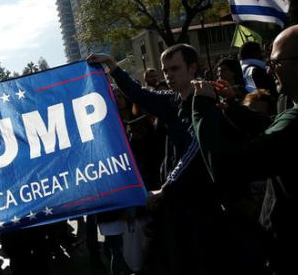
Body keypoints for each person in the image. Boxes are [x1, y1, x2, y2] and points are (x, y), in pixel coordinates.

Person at [191, 21, 298, 274]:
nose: (269, 69)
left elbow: (226, 168)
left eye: (274, 62)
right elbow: (274, 125)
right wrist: (233, 107)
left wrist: (202, 110)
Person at [88, 45, 230, 275]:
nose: (168, 75)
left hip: (200, 204)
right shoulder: (171, 101)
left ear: (193, 67)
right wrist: (113, 66)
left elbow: (196, 150)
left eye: (175, 68)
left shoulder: (206, 103)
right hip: (172, 206)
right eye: (165, 71)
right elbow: (140, 94)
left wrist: (165, 188)